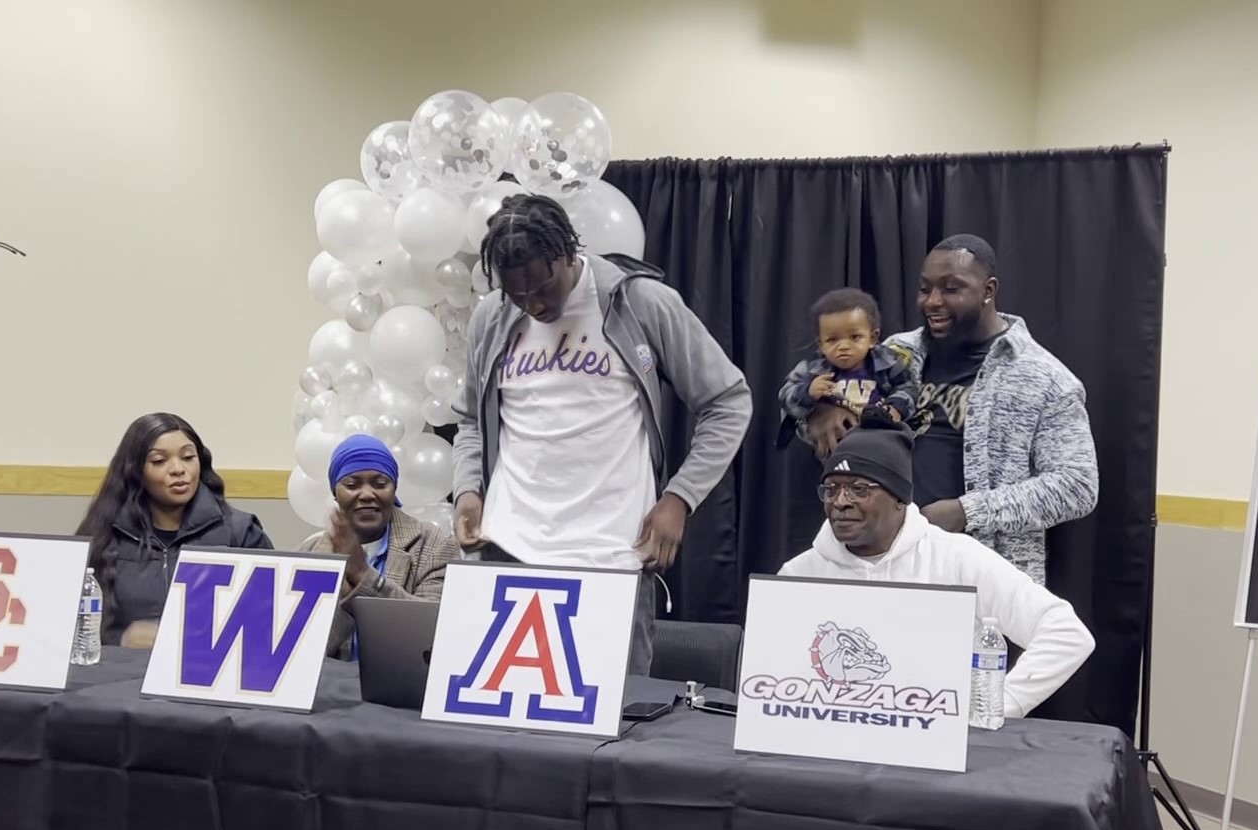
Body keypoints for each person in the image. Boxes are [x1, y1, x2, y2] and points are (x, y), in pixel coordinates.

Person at [452, 194, 752, 674]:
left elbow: (729, 400)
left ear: (571, 252)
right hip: (509, 551)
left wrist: (680, 498)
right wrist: (468, 490)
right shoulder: (492, 318)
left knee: (610, 732)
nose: (534, 304)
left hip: (611, 556)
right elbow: (470, 418)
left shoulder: (641, 303)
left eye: (543, 286)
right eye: (517, 294)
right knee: (499, 732)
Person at [806, 234, 1098, 586]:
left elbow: (1077, 487)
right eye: (925, 289)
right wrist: (817, 409)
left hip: (976, 576)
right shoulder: (895, 353)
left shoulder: (1044, 377)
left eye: (950, 289)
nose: (933, 301)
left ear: (988, 290)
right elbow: (830, 419)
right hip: (878, 563)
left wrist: (966, 512)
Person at [779, 409, 1092, 719]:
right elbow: (774, 672)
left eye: (860, 489)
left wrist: (998, 707)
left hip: (938, 756)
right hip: (831, 748)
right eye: (831, 489)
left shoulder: (957, 559)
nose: (840, 501)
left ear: (899, 497)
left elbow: (1065, 633)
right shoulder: (798, 575)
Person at [76, 412, 272, 648]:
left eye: (188, 457)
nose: (178, 469)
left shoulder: (241, 533)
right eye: (159, 461)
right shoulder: (102, 536)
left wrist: (181, 639)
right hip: (120, 676)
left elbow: (268, 624)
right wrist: (121, 642)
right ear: (135, 471)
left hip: (208, 676)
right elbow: (68, 631)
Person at [300, 433, 460, 658]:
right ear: (335, 494)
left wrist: (363, 575)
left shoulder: (434, 544)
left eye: (380, 483)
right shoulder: (310, 554)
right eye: (351, 484)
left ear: (394, 489)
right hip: (329, 688)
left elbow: (433, 632)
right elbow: (302, 650)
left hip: (402, 688)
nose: (366, 494)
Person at [777, 287, 921, 451]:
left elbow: (909, 387)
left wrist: (896, 407)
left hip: (881, 442)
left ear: (872, 338)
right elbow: (785, 394)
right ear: (821, 344)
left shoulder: (888, 361)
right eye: (832, 339)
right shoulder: (812, 367)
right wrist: (807, 392)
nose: (844, 346)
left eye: (854, 337)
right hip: (832, 447)